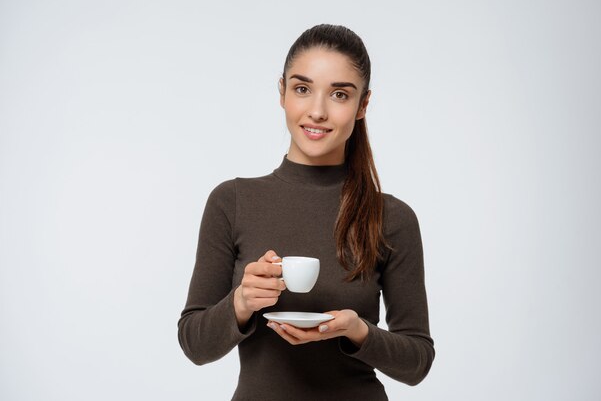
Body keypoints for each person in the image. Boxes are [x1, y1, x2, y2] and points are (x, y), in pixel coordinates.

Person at [177, 23, 435, 401]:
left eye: (340, 95)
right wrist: (242, 302)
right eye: (302, 89)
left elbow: (417, 362)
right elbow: (194, 345)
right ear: (282, 92)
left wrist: (356, 330)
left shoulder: (392, 218)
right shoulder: (231, 201)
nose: (317, 111)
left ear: (363, 105)